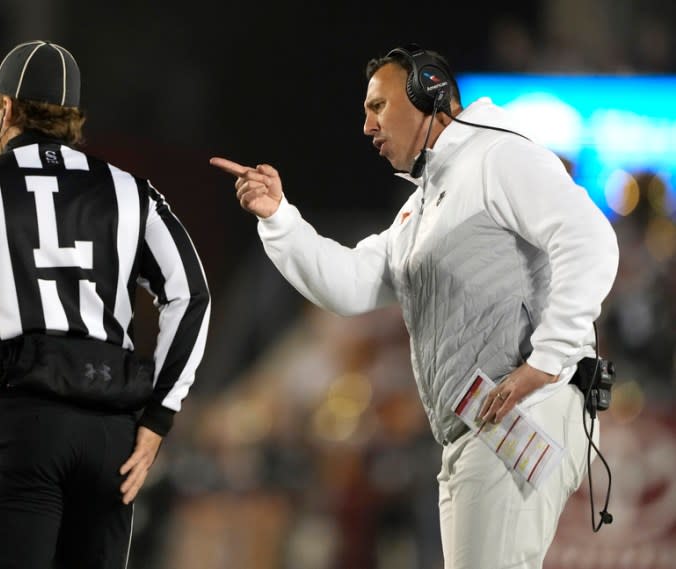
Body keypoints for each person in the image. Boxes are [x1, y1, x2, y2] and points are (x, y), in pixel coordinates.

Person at [211, 44, 618, 568]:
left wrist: (546, 360)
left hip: (522, 413)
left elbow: (590, 240)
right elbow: (350, 285)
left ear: (429, 93)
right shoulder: (422, 206)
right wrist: (280, 219)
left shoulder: (499, 156)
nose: (366, 125)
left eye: (377, 106)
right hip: (479, 426)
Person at [0, 40, 211, 568]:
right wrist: (158, 419)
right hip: (110, 430)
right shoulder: (131, 191)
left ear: (5, 108)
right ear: (71, 118)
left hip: (19, 420)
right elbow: (190, 295)